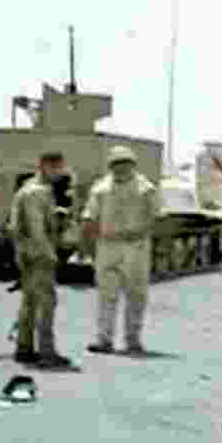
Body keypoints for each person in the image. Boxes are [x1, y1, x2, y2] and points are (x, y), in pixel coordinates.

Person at [82, 145, 160, 355]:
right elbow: (89, 218)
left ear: (133, 164)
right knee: (106, 295)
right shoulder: (100, 189)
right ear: (110, 166)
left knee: (136, 295)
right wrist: (88, 248)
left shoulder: (145, 188)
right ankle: (104, 339)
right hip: (108, 245)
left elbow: (157, 217)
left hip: (136, 246)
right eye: (116, 164)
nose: (121, 168)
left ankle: (133, 340)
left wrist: (144, 233)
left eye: (125, 163)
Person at [8, 152, 74, 368]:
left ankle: (24, 348)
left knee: (30, 301)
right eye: (56, 168)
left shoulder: (30, 188)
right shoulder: (37, 192)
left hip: (27, 252)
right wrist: (49, 253)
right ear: (44, 166)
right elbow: (36, 228)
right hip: (38, 253)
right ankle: (47, 352)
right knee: (46, 302)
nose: (59, 173)